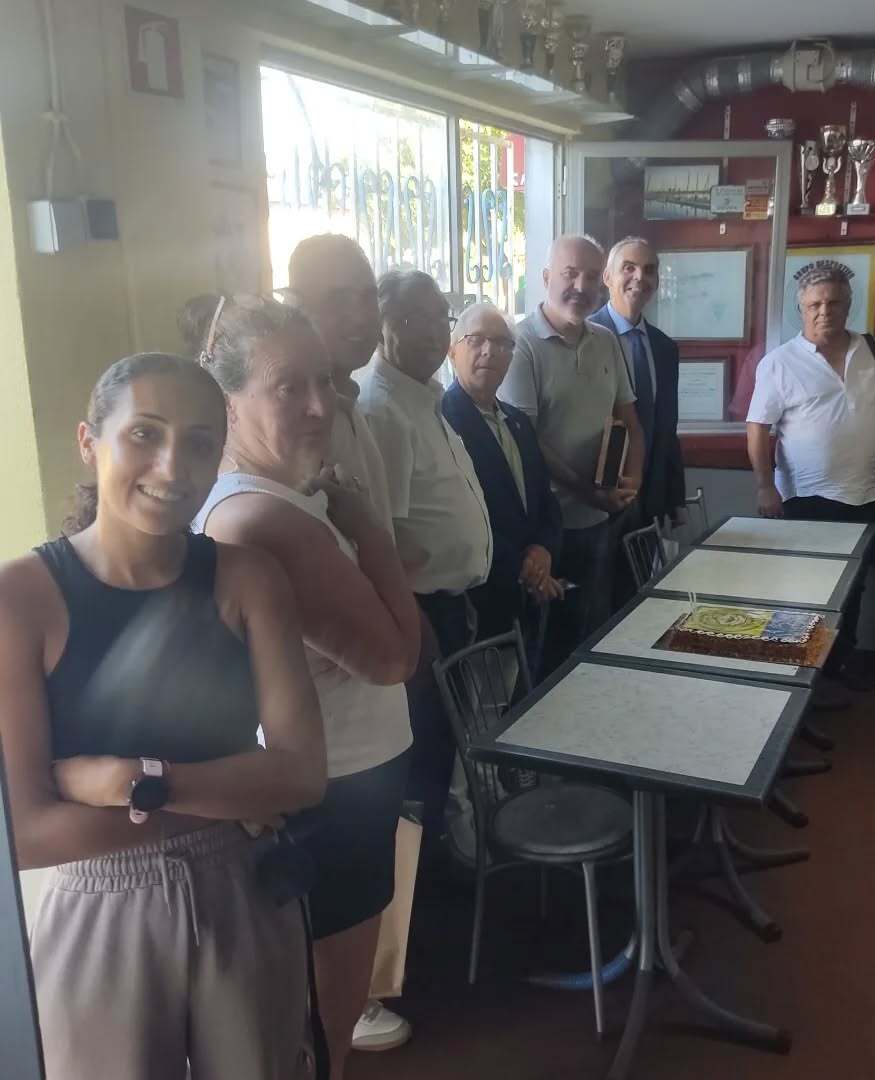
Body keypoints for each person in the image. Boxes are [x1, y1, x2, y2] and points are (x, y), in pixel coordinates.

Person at [0, 351, 327, 1080]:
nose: (173, 466)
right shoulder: (21, 598)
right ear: (89, 442)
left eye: (201, 443)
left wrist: (130, 781)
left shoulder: (248, 579)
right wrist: (230, 796)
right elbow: (24, 833)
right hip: (99, 897)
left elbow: (304, 774)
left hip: (245, 891)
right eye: (144, 434)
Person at [181, 295, 420, 1080]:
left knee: (314, 1022)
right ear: (228, 402)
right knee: (323, 1025)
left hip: (337, 787)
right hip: (334, 797)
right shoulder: (265, 519)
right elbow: (394, 657)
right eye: (289, 387)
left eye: (324, 380)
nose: (321, 405)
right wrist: (370, 526)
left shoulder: (270, 498)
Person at [287, 234, 414, 1050]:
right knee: (323, 952)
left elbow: (382, 547)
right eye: (337, 298)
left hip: (375, 727)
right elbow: (379, 629)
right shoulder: (295, 433)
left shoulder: (356, 406)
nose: (360, 313)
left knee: (363, 906)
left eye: (367, 294)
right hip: (327, 745)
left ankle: (362, 1004)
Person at [355, 270, 493, 839]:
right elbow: (378, 539)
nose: (434, 330)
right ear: (382, 324)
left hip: (451, 606)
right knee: (428, 757)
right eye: (415, 317)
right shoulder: (382, 409)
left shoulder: (423, 397)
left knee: (449, 744)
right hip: (420, 614)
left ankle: (446, 852)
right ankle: (429, 877)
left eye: (441, 316)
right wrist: (415, 624)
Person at [501, 235, 645, 673]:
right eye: (569, 274)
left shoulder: (606, 340)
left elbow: (629, 420)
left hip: (599, 521)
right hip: (544, 531)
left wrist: (632, 482)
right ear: (546, 277)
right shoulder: (519, 343)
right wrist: (588, 491)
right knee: (541, 652)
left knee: (590, 640)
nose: (580, 286)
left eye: (590, 277)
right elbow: (525, 440)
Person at [746, 265, 875, 696]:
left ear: (849, 305)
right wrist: (765, 486)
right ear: (801, 309)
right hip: (806, 498)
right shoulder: (779, 363)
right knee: (804, 591)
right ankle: (796, 679)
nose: (824, 311)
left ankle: (837, 667)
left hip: (866, 494)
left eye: (834, 302)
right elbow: (757, 428)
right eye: (814, 304)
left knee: (853, 589)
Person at [442, 302, 563, 672]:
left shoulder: (518, 422)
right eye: (476, 340)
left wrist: (543, 550)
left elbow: (545, 500)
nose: (489, 351)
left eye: (501, 343)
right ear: (452, 351)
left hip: (528, 599)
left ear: (511, 357)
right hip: (481, 604)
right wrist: (525, 569)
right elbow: (459, 519)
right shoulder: (443, 421)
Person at [590, 236, 687, 529]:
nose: (639, 277)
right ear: (607, 278)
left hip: (650, 500)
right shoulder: (585, 338)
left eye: (649, 270)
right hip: (596, 499)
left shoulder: (665, 348)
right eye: (628, 268)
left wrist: (675, 498)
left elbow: (667, 428)